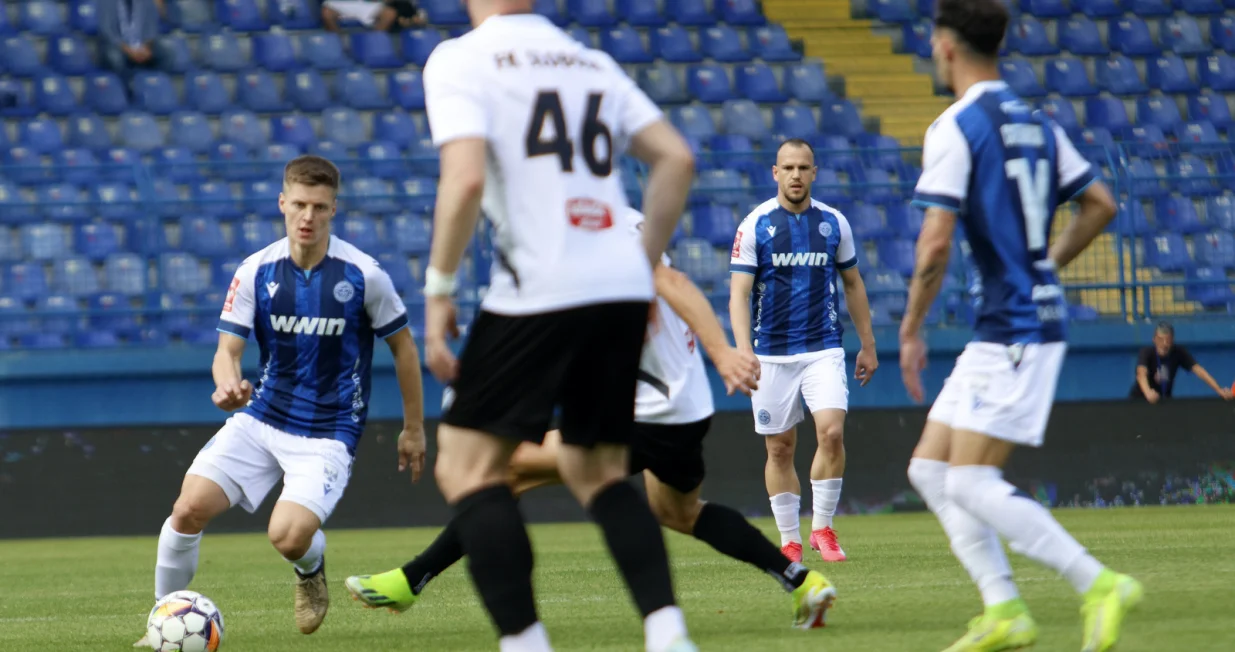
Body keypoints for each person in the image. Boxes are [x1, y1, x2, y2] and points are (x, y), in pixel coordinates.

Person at [343, 208, 837, 631]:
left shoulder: (606, 231)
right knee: (680, 513)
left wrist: (723, 351)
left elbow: (672, 283)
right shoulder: (597, 227)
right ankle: (802, 582)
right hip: (684, 409)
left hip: (649, 411)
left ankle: (413, 581)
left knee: (500, 472)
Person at [418, 1, 697, 649]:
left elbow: (461, 183)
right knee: (593, 467)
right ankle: (668, 632)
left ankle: (524, 641)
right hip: (619, 287)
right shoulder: (588, 60)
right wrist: (643, 264)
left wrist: (439, 292)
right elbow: (675, 160)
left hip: (539, 287)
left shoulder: (462, 58)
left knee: (466, 468)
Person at [897, 1, 1140, 650]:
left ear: (944, 46)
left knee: (970, 481)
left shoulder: (955, 126)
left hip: (1013, 327)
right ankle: (1004, 609)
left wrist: (910, 329)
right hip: (1010, 322)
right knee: (928, 469)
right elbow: (1100, 202)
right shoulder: (1036, 122)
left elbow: (933, 247)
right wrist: (1048, 263)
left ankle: (1096, 581)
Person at [133, 156, 427, 647]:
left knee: (287, 536)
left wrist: (413, 427)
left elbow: (404, 348)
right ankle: (160, 624)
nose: (307, 216)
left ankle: (310, 568)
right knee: (187, 509)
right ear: (282, 204)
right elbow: (227, 352)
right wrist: (228, 386)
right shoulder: (255, 271)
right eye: (298, 205)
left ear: (334, 209)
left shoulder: (364, 277)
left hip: (329, 430)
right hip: (263, 415)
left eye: (318, 207)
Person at [728, 138, 878, 564]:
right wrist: (743, 351)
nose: (796, 175)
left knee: (831, 431)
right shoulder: (754, 225)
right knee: (780, 448)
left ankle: (823, 528)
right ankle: (790, 538)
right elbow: (738, 294)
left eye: (803, 168)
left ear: (815, 173)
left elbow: (853, 284)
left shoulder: (834, 223)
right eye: (788, 168)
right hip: (771, 353)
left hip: (823, 347)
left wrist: (867, 344)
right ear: (775, 173)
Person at [1130, 321, 1232, 402]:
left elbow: (1199, 370)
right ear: (1154, 340)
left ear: (1172, 340)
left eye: (1168, 340)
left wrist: (1218, 389)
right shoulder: (1147, 352)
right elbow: (1141, 373)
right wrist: (1148, 392)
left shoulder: (1178, 352)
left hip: (1164, 400)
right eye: (1161, 340)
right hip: (1140, 400)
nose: (1164, 344)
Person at [97, 0, 166, 90]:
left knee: (165, 52)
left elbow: (152, 27)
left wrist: (146, 46)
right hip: (117, 46)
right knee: (115, 57)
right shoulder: (107, 2)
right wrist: (128, 50)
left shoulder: (147, 2)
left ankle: (155, 88)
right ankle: (127, 91)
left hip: (141, 45)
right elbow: (107, 31)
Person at [321, 0, 426, 33]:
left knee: (389, 14)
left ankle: (374, 41)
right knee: (326, 13)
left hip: (366, 4)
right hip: (343, 3)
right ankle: (336, 44)